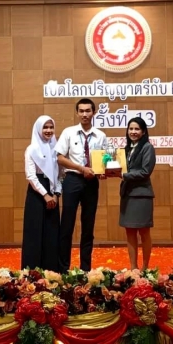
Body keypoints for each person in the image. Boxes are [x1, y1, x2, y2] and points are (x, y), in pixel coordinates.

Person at [55, 98, 107, 273]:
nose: (85, 114)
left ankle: (85, 269)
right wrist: (81, 168)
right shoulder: (68, 132)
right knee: (67, 225)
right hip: (72, 180)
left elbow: (105, 160)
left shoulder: (101, 135)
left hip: (91, 182)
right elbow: (59, 158)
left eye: (88, 111)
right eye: (81, 111)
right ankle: (63, 269)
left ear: (94, 112)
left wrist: (103, 171)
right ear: (77, 113)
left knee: (88, 226)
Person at [21, 115, 61, 272]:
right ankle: (32, 272)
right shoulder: (31, 149)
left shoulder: (57, 149)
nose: (48, 130)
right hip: (37, 193)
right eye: (45, 127)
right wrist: (45, 195)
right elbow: (31, 176)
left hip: (53, 192)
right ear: (38, 129)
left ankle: (52, 272)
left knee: (52, 233)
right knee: (34, 232)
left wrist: (56, 194)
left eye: (51, 127)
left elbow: (61, 175)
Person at [120, 117, 156, 270]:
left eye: (137, 129)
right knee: (129, 232)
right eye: (131, 129)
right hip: (127, 195)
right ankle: (133, 268)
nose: (133, 132)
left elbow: (145, 171)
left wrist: (124, 175)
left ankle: (145, 268)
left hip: (141, 195)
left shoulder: (147, 147)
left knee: (144, 232)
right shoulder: (126, 149)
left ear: (143, 132)